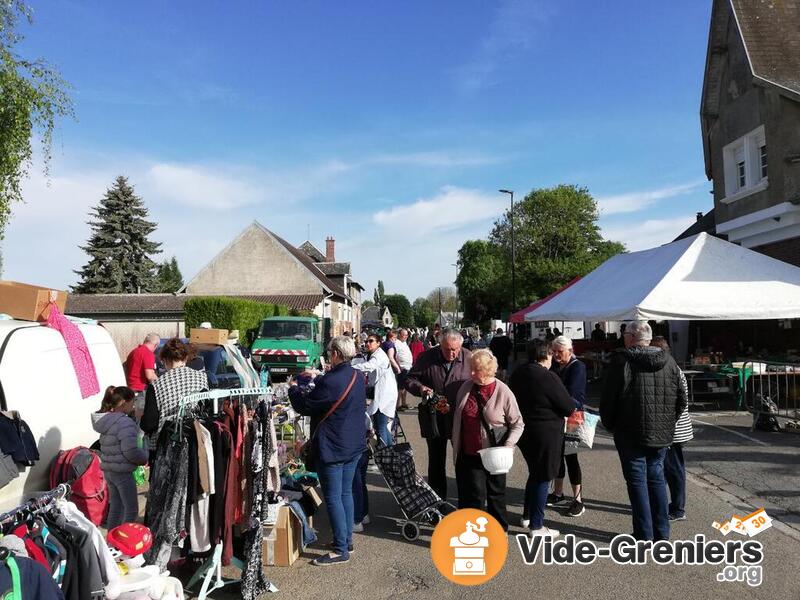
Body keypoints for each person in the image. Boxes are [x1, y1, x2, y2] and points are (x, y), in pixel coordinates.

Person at [600, 321, 686, 541]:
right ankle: (661, 533)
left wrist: (610, 424)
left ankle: (644, 534)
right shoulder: (669, 361)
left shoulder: (622, 361)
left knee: (638, 481)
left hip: (629, 432)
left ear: (630, 337)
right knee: (656, 478)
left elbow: (608, 399)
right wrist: (668, 422)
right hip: (660, 432)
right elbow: (681, 399)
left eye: (625, 334)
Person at [288, 336, 366, 565]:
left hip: (334, 446)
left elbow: (305, 405)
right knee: (345, 494)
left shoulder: (331, 381)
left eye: (329, 352)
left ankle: (340, 549)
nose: (328, 356)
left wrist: (294, 389)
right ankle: (346, 541)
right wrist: (319, 377)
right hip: (353, 443)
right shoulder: (357, 375)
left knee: (333, 497)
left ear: (335, 354)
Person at [451, 350, 524, 531]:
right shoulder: (466, 387)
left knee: (496, 495)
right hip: (467, 452)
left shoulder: (503, 391)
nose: (472, 373)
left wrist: (508, 446)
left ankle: (499, 531)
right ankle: (471, 533)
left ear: (489, 370)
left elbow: (518, 423)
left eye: (477, 370)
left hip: (495, 454)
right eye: (472, 369)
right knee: (471, 495)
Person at [510, 340, 575, 538]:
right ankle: (536, 525)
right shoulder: (548, 377)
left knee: (535, 473)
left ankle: (528, 516)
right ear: (545, 355)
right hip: (546, 432)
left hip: (524, 431)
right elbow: (567, 406)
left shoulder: (518, 374)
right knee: (543, 476)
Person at [406, 329, 472, 500]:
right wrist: (420, 388)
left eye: (455, 349)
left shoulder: (469, 358)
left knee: (463, 462)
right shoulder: (427, 357)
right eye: (447, 349)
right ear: (440, 344)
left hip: (460, 419)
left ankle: (465, 503)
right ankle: (437, 503)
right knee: (436, 462)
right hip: (434, 417)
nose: (452, 353)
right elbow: (409, 379)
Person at [92, 386, 149, 530]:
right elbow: (131, 452)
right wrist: (144, 456)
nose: (134, 405)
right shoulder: (125, 423)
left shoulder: (106, 420)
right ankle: (124, 542)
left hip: (110, 471)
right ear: (124, 403)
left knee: (116, 508)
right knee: (131, 510)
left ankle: (111, 541)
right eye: (132, 402)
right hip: (123, 472)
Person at [140, 338, 209, 457]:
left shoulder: (157, 385)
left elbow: (150, 423)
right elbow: (206, 408)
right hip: (196, 441)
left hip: (165, 445)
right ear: (185, 358)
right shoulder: (202, 378)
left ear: (164, 360)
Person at [651, 336, 694, 522]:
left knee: (674, 470)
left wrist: (667, 423)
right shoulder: (671, 367)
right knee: (669, 469)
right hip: (671, 429)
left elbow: (679, 402)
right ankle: (671, 505)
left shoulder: (671, 370)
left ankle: (678, 508)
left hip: (673, 431)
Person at [548, 335, 588, 517]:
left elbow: (574, 396)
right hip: (556, 417)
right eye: (554, 351)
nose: (556, 355)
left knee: (571, 456)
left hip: (573, 417)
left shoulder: (577, 367)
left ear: (570, 351)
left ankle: (578, 499)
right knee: (557, 455)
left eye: (560, 352)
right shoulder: (554, 366)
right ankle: (558, 492)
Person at [352, 334, 397, 447]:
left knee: (380, 425)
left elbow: (369, 366)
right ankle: (390, 453)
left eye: (371, 341)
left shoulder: (379, 355)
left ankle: (387, 454)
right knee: (380, 425)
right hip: (382, 392)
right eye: (366, 341)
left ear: (378, 343)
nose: (367, 343)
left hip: (384, 395)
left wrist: (349, 368)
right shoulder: (374, 354)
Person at [395, 329, 414, 411]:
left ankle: (403, 403)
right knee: (400, 387)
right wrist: (398, 366)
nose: (406, 336)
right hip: (402, 368)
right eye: (404, 335)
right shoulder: (396, 343)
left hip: (407, 367)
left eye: (407, 335)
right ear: (399, 334)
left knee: (405, 387)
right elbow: (395, 355)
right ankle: (397, 405)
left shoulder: (404, 343)